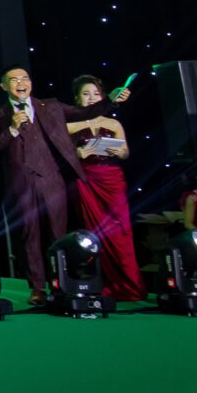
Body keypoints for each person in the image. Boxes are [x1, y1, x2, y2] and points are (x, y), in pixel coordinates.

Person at [0, 65, 86, 305]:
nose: (21, 83)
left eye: (25, 78)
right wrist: (12, 128)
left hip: (51, 179)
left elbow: (83, 112)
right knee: (30, 235)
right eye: (14, 79)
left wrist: (112, 101)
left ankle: (62, 282)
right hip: (21, 183)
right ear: (4, 86)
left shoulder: (49, 106)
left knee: (58, 233)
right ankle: (37, 287)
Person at [65, 74, 142, 300]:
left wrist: (121, 151)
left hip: (112, 179)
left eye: (96, 94)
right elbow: (59, 155)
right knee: (93, 231)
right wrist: (78, 153)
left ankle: (128, 284)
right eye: (86, 94)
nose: (91, 98)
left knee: (121, 230)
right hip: (86, 180)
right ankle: (100, 281)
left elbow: (125, 153)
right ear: (77, 98)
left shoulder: (113, 123)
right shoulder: (69, 125)